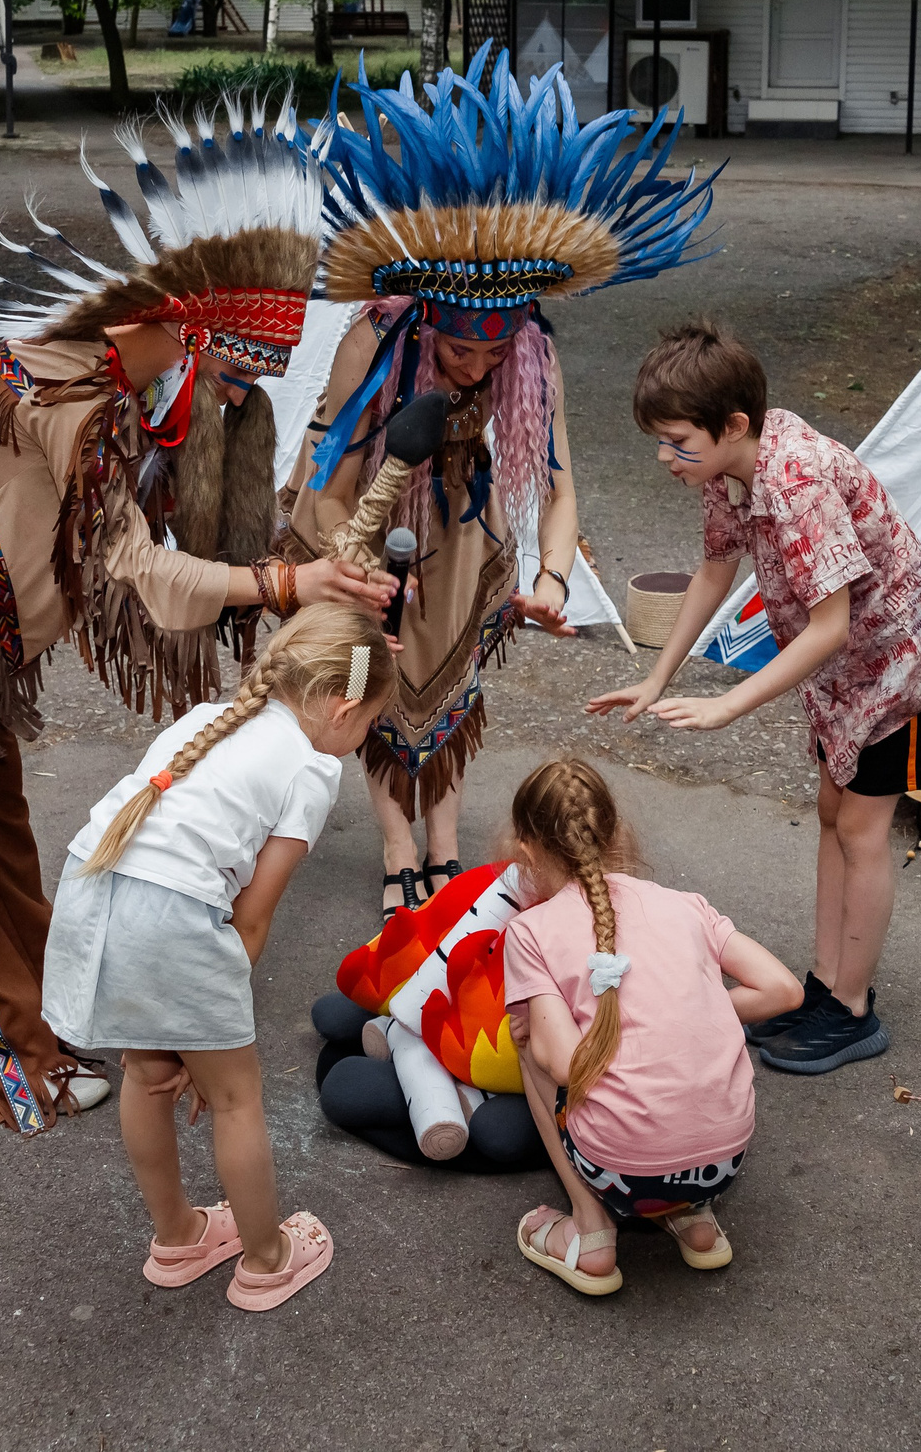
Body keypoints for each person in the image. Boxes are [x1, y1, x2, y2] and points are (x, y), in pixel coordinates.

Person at [0, 98, 393, 1135]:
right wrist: (280, 587)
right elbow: (135, 570)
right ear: (186, 330)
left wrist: (291, 575)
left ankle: (49, 1001)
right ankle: (3, 1056)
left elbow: (144, 552)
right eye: (228, 370)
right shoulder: (65, 386)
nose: (228, 394)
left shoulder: (116, 386)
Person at [285, 44, 719, 922]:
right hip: (367, 532)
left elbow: (558, 489)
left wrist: (552, 578)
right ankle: (396, 841)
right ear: (426, 324)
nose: (478, 366)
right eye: (459, 351)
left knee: (450, 687)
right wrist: (348, 568)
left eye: (494, 351)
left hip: (465, 543)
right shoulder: (374, 342)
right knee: (379, 682)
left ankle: (442, 839)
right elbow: (327, 476)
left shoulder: (534, 355)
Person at [590, 326, 921, 1076]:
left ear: (732, 424)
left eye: (676, 441)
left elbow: (831, 625)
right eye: (660, 441)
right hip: (846, 672)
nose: (664, 458)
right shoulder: (726, 471)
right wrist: (659, 677)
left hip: (900, 670)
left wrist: (729, 704)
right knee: (835, 816)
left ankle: (853, 1008)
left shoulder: (797, 481)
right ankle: (826, 985)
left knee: (864, 830)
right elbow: (715, 568)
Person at [43, 603, 391, 1311]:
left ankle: (178, 1237)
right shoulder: (312, 767)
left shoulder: (207, 717)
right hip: (172, 917)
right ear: (341, 707)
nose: (359, 741)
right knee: (234, 1094)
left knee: (145, 1071)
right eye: (368, 724)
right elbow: (253, 917)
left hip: (95, 889)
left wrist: (185, 1040)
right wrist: (211, 1037)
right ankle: (267, 1259)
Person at [498, 758, 802, 1295]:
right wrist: (690, 1013)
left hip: (623, 1170)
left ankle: (590, 1235)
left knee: (527, 1045)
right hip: (725, 1161)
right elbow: (783, 989)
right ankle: (697, 1221)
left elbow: (563, 1062)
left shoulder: (529, 931)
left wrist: (538, 1028)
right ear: (614, 832)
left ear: (525, 847)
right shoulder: (686, 905)